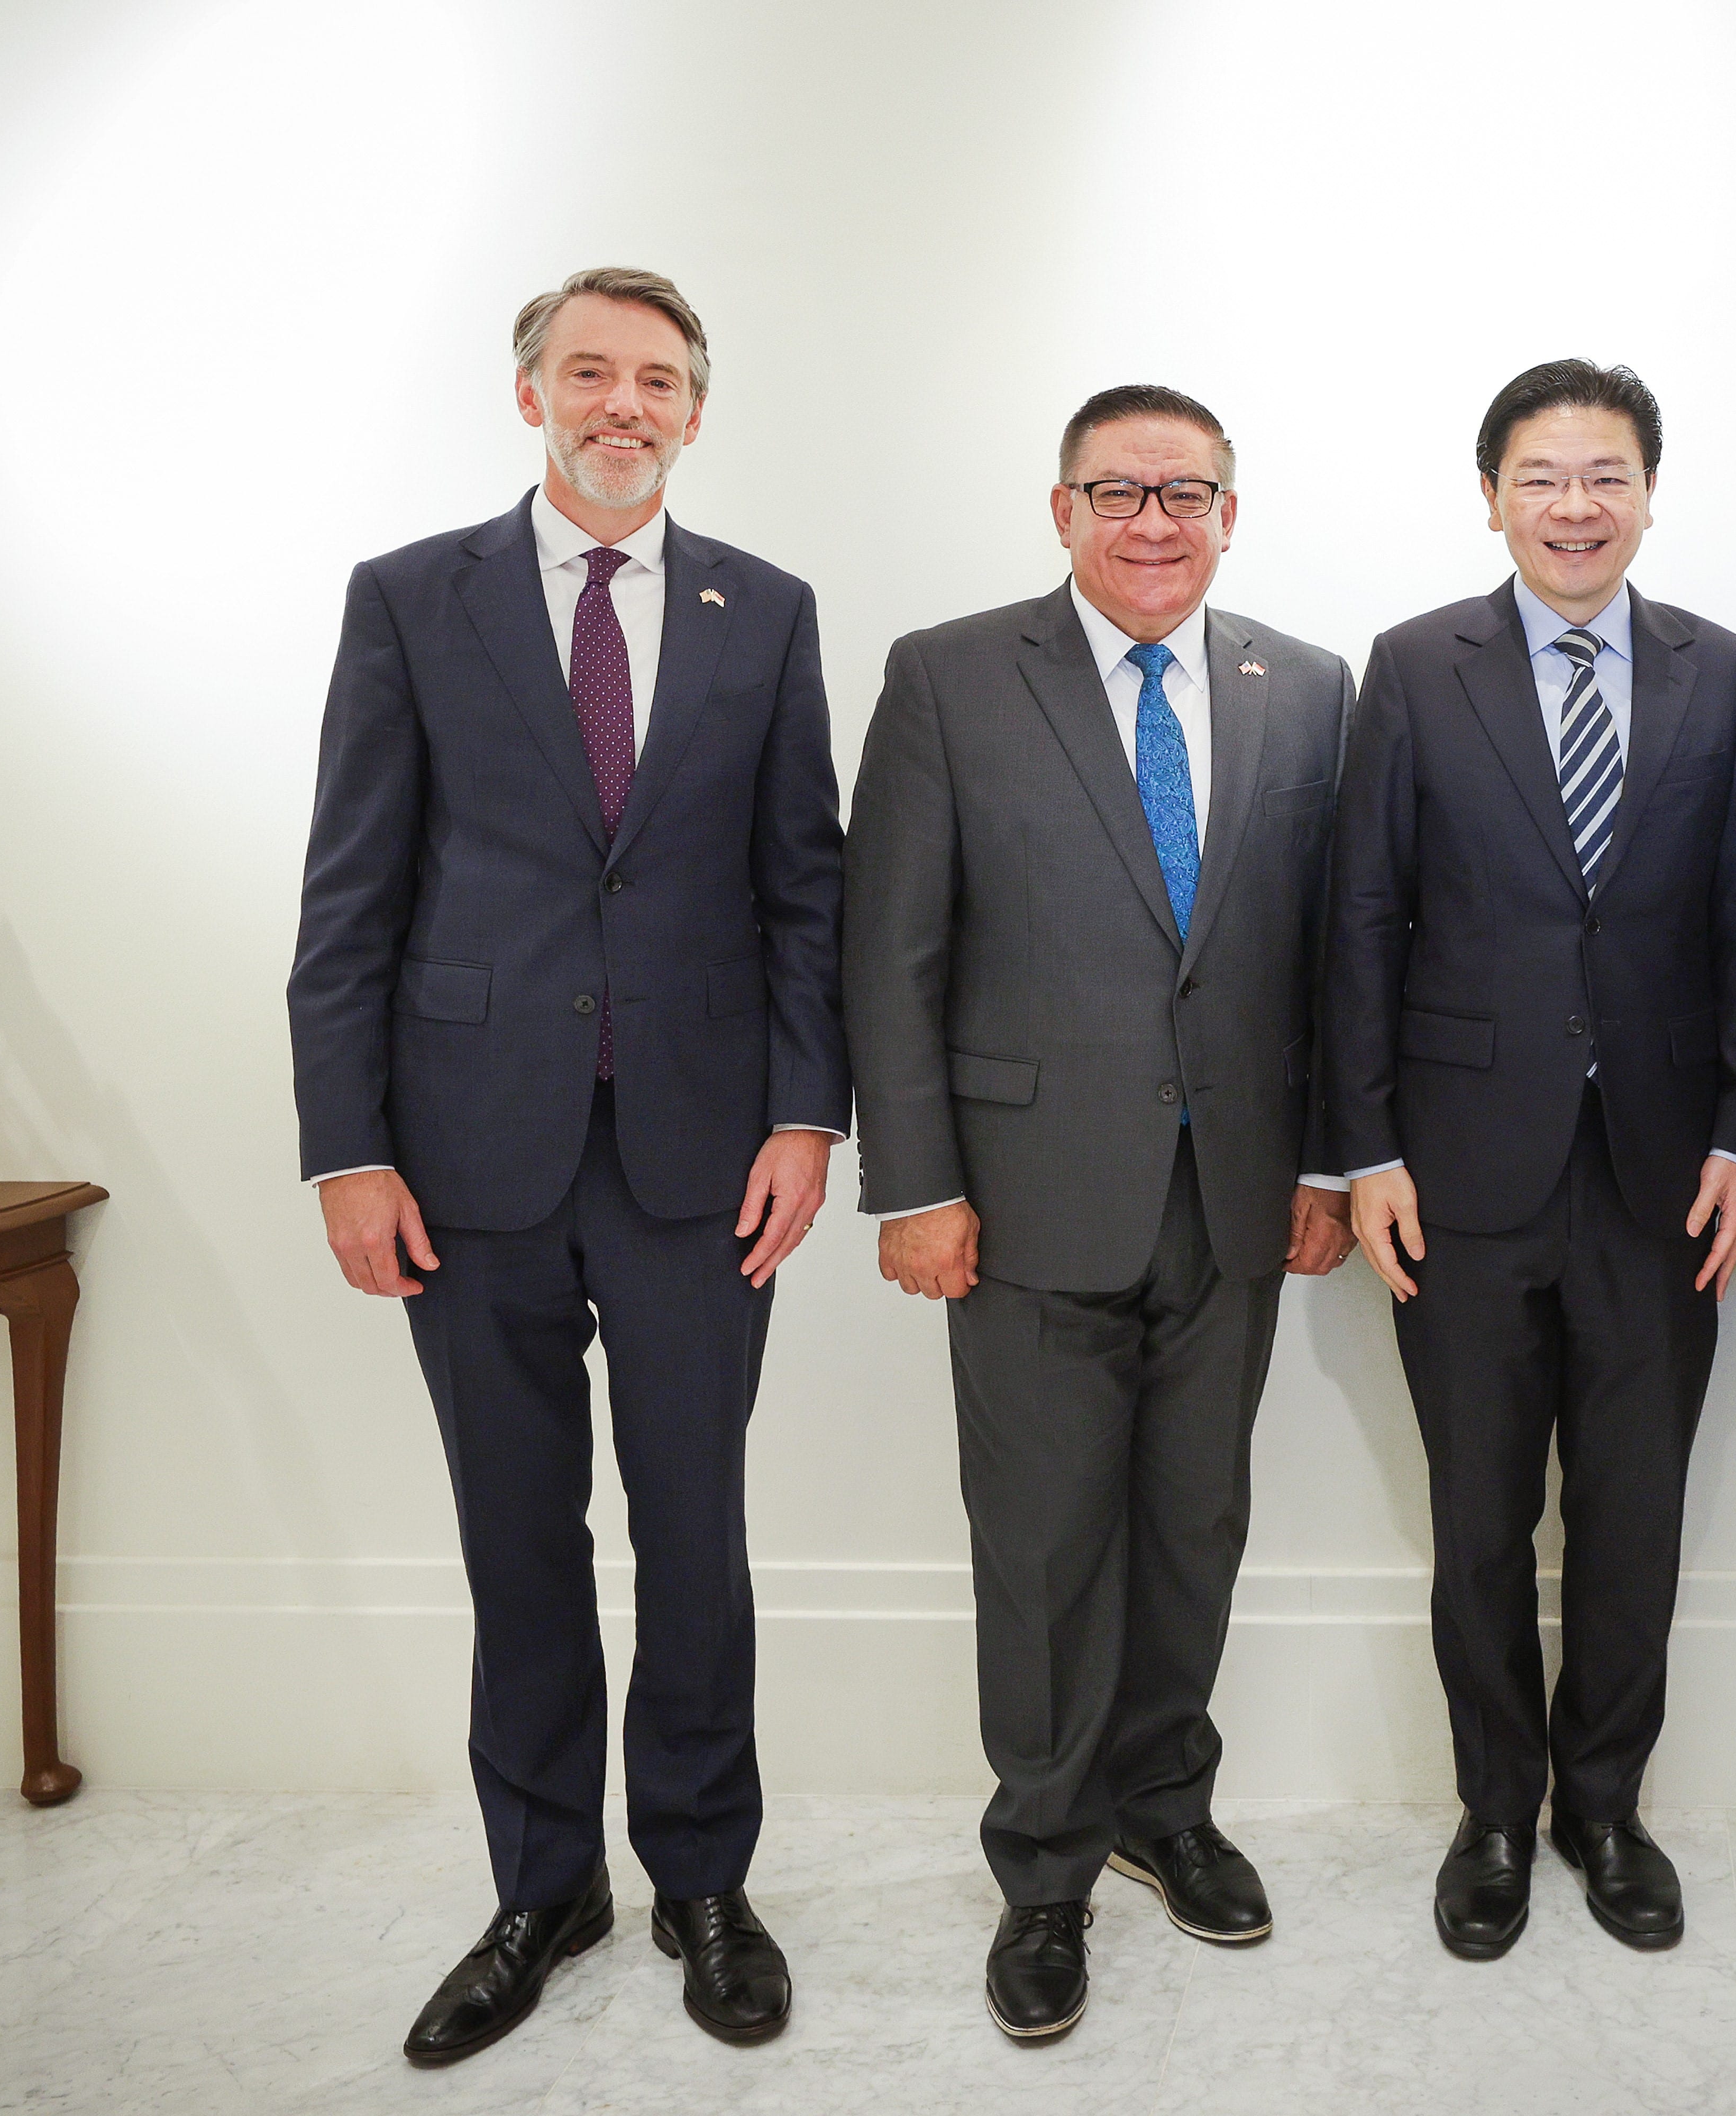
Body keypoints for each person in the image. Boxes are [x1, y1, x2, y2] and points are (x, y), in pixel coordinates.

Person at [289, 267, 844, 2063]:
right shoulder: (410, 600)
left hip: (702, 1161)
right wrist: (346, 1150)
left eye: (659, 380)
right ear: (529, 392)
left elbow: (802, 891)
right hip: (467, 1164)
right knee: (517, 1541)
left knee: (698, 1534)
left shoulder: (765, 611)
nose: (625, 405)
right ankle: (543, 1884)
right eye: (590, 373)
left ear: (698, 411)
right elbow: (351, 891)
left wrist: (805, 1115)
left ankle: (699, 1876)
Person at [843, 385, 1355, 2041]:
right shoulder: (949, 675)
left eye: (1187, 493)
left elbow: (1336, 960)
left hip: (1238, 1198)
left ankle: (1163, 1809)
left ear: (1230, 510)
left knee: (1195, 1526)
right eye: (1120, 492)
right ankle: (1046, 1870)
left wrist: (1329, 1168)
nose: (1156, 523)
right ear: (1059, 509)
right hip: (1020, 1199)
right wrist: (915, 1185)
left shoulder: (1309, 689)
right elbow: (892, 953)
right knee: (1049, 1545)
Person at [1324, 360, 1736, 1960]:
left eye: (1605, 477)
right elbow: (1363, 921)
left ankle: (1607, 1806)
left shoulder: (1722, 674)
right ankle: (1497, 1811)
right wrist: (1365, 1146)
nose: (1576, 506)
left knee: (1635, 1513)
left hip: (1664, 1174)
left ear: (1649, 493)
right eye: (1544, 477)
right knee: (1477, 1518)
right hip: (1456, 1170)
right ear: (1494, 496)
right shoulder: (1415, 667)